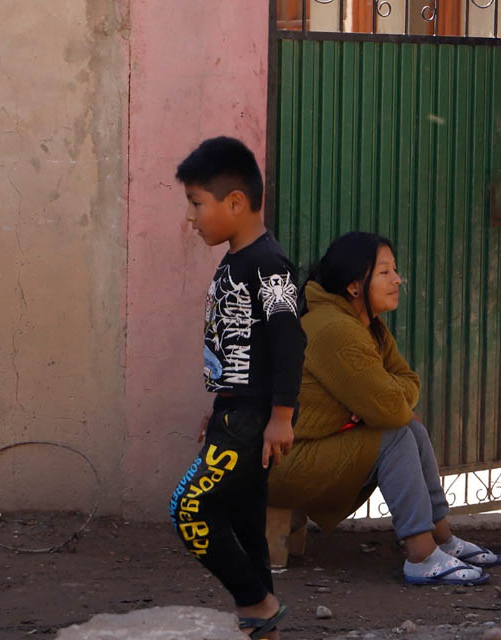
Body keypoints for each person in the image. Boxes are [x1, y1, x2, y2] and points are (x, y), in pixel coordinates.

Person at [267, 231, 501, 586]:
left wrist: (386, 402)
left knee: (410, 426)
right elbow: (393, 408)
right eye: (384, 272)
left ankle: (442, 539)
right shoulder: (334, 330)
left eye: (395, 270)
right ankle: (421, 555)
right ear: (353, 286)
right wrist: (387, 403)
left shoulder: (368, 326)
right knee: (395, 432)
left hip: (312, 450)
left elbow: (406, 380)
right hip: (287, 462)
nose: (397, 279)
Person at [169, 136, 305, 639]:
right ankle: (261, 621)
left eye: (196, 203)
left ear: (235, 202)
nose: (191, 217)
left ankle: (258, 604)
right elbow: (241, 347)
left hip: (253, 419)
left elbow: (289, 343)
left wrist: (281, 417)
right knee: (247, 523)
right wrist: (222, 400)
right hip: (236, 411)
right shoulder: (237, 260)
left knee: (189, 509)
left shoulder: (268, 264)